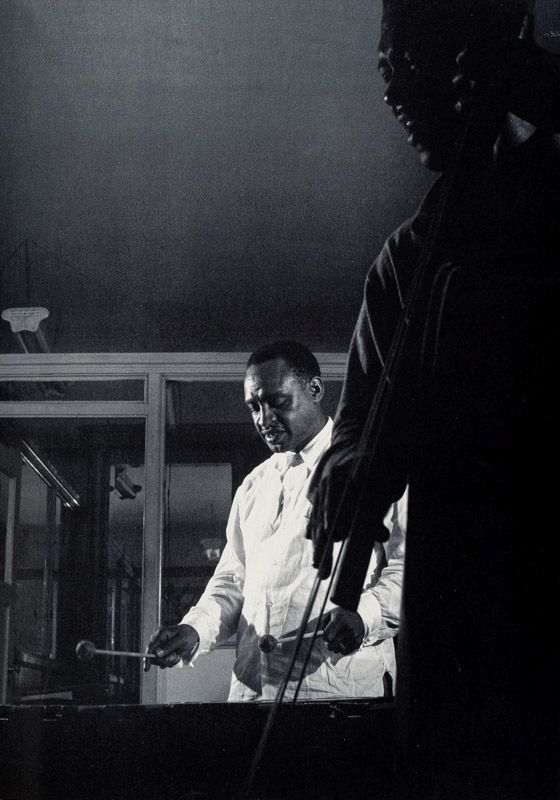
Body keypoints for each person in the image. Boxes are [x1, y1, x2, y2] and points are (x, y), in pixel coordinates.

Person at [308, 2, 560, 798]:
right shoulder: (407, 257)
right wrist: (350, 465)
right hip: (459, 607)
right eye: (389, 70)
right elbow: (360, 416)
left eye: (417, 63)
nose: (396, 91)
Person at [145, 340, 405, 702]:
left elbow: (409, 567)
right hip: (252, 695)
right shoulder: (253, 486)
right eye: (254, 407)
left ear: (315, 390)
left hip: (337, 693)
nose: (263, 420)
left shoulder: (369, 467)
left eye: (277, 402)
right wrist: (195, 630)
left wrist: (365, 615)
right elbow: (232, 582)